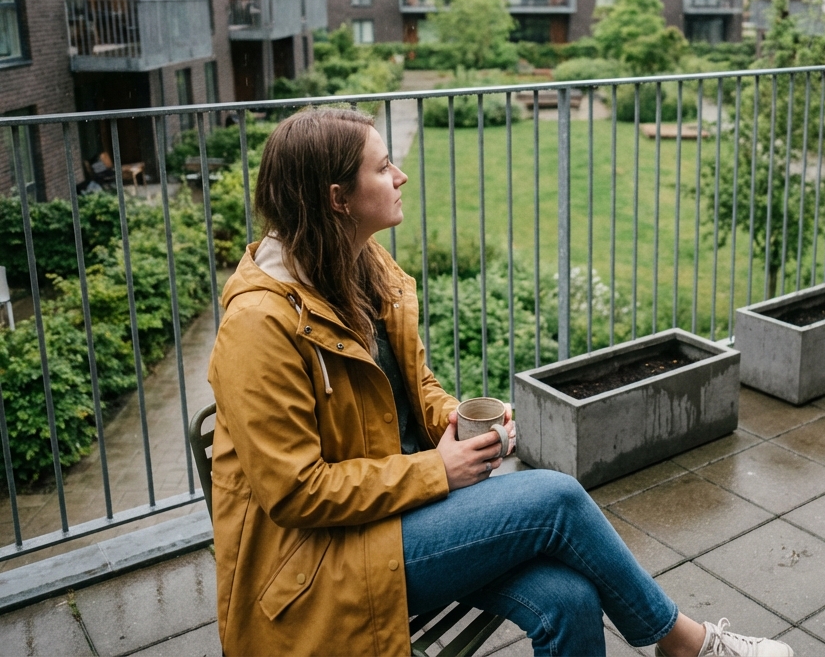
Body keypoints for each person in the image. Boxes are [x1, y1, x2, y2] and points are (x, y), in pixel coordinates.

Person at [207, 107, 793, 657]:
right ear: (338, 199)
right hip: (321, 562)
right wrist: (438, 470)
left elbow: (412, 386)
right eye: (383, 168)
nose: (401, 176)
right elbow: (297, 492)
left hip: (397, 513)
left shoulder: (363, 265)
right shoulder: (259, 326)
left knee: (571, 599)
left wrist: (453, 420)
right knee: (557, 498)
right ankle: (685, 643)